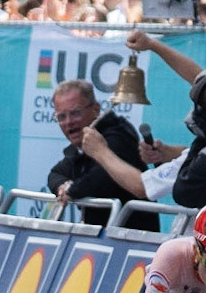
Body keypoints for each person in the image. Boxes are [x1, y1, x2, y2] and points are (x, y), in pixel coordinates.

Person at [47, 78, 158, 231]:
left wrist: (72, 191)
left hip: (132, 238)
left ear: (96, 109)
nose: (69, 122)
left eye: (75, 113)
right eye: (61, 117)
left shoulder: (117, 136)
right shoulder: (80, 145)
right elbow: (56, 173)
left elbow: (102, 179)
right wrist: (63, 187)